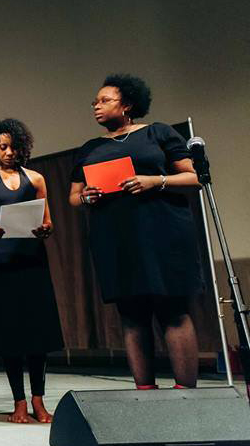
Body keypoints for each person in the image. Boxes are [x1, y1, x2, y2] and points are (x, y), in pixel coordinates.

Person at [69, 74, 203, 390]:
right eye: (94, 102)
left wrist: (154, 181)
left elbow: (194, 178)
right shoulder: (90, 148)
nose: (96, 107)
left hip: (162, 234)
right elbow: (74, 197)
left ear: (127, 104)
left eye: (104, 100)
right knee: (131, 315)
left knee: (173, 310)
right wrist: (87, 195)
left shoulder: (158, 133)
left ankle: (187, 392)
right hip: (115, 239)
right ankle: (144, 390)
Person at [0, 119, 63, 423]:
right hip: (1, 264)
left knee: (38, 332)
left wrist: (45, 229)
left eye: (14, 147)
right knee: (9, 333)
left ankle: (38, 400)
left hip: (33, 261)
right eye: (3, 146)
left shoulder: (35, 178)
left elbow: (48, 222)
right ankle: (19, 401)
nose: (9, 152)